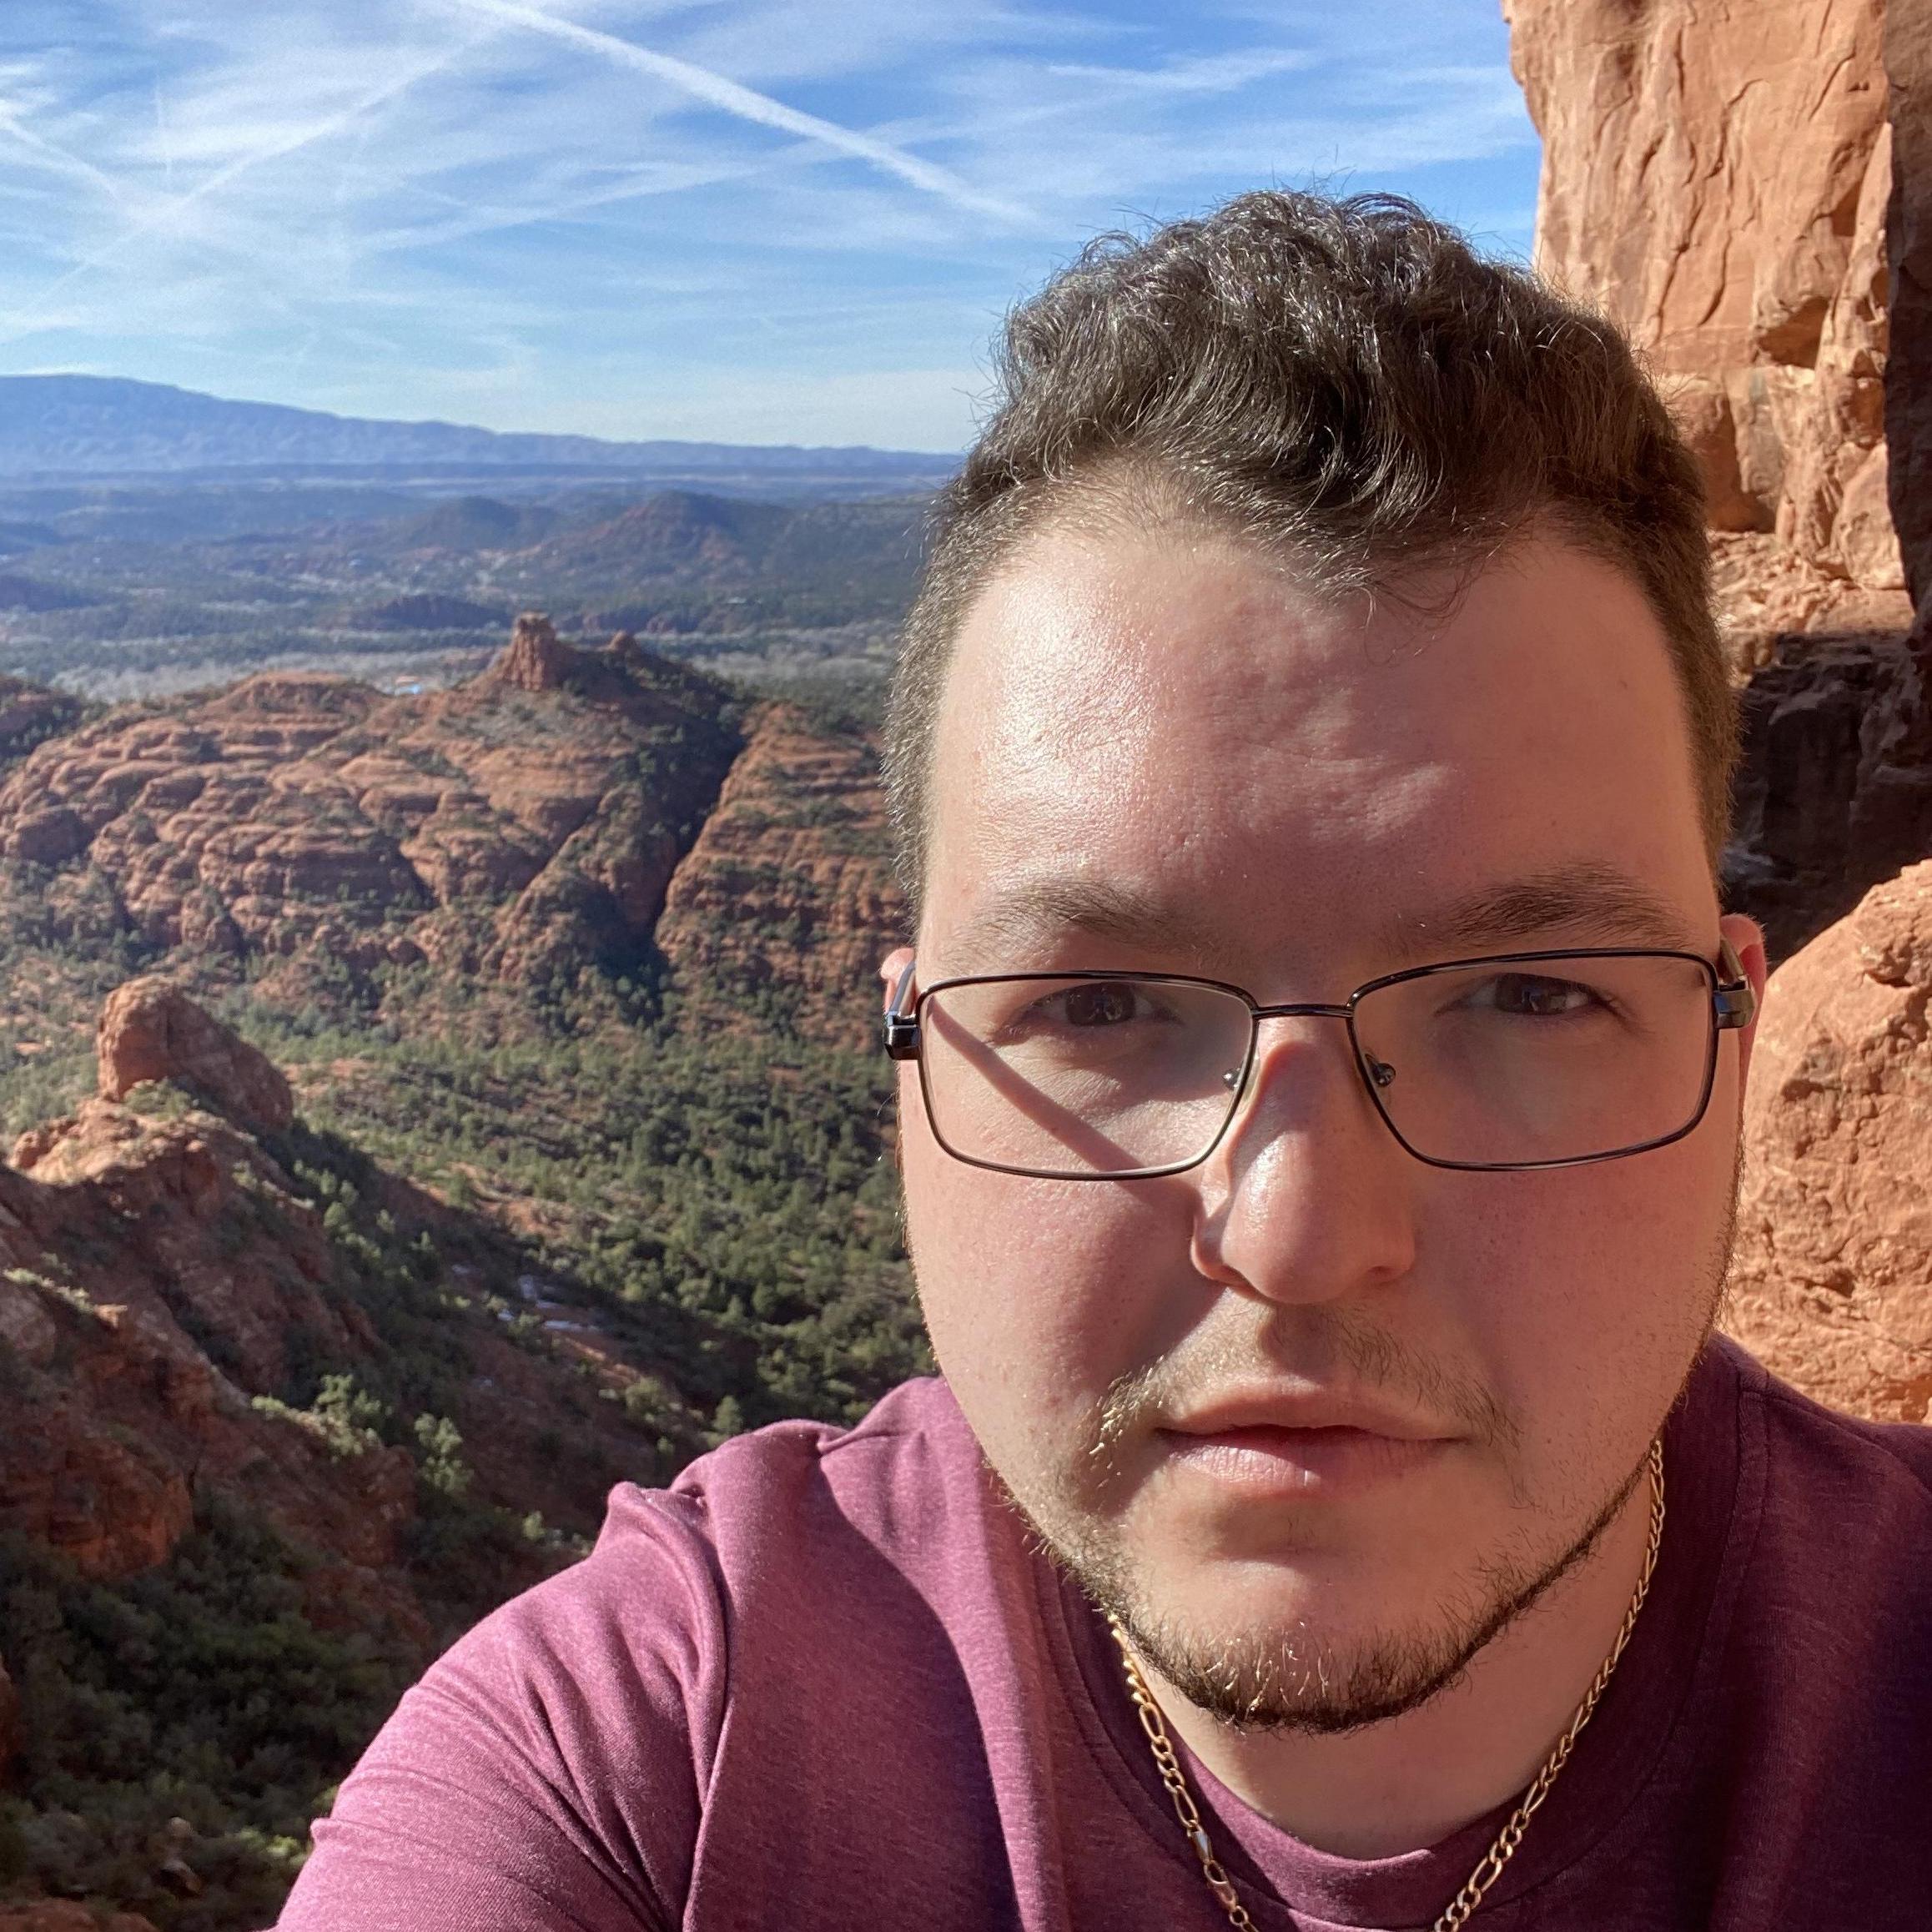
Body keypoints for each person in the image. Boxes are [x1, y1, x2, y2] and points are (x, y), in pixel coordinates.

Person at [277, 191, 1932, 1932]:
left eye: (1528, 994)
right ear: (909, 1057)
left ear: (1735, 1040)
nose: (1300, 1238)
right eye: (1100, 1006)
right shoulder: (649, 1764)